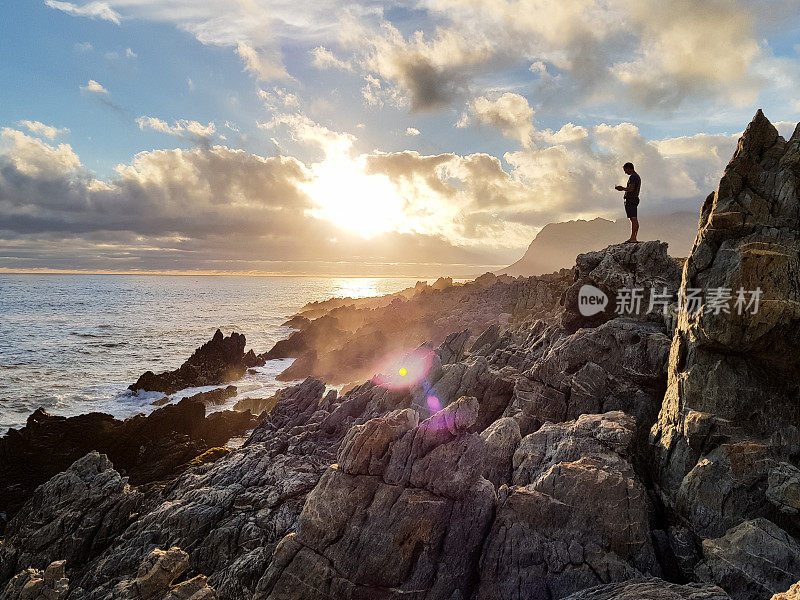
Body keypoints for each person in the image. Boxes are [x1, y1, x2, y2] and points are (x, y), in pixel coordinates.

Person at [615, 162, 641, 243]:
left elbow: (631, 189)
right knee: (633, 219)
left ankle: (633, 238)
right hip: (634, 199)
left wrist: (622, 188)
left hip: (631, 200)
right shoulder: (636, 177)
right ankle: (633, 237)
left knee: (633, 219)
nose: (625, 172)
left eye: (625, 170)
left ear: (629, 168)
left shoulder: (633, 177)